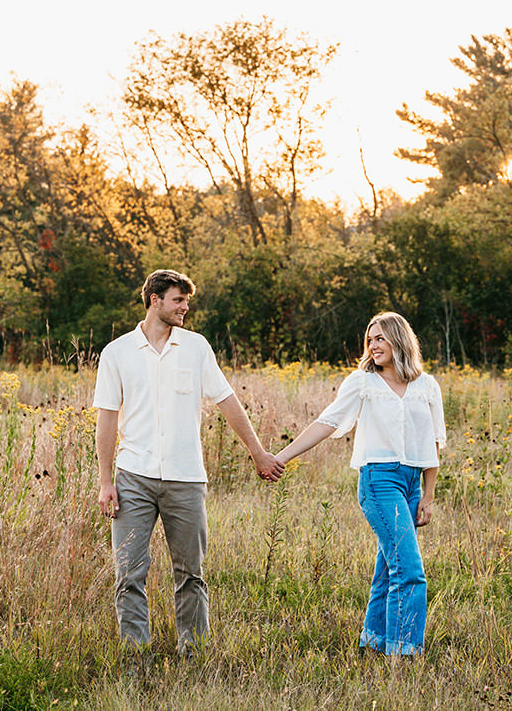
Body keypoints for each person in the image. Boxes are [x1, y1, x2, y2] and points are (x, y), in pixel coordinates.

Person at [93, 269, 284, 660]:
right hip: (133, 478)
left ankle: (193, 655)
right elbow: (107, 419)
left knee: (191, 574)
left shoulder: (197, 347)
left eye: (186, 301)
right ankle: (135, 658)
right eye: (178, 300)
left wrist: (258, 452)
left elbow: (227, 402)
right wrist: (105, 481)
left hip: (186, 478)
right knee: (128, 573)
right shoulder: (117, 353)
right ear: (155, 300)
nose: (184, 308)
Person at [274, 311, 445, 657]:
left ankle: (374, 642)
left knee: (389, 567)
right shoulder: (363, 382)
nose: (373, 345)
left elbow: (434, 444)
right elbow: (327, 422)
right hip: (379, 481)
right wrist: (281, 457)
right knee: (409, 570)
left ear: (399, 339)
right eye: (370, 339)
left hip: (412, 484)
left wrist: (428, 496)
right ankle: (404, 652)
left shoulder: (427, 385)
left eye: (380, 338)